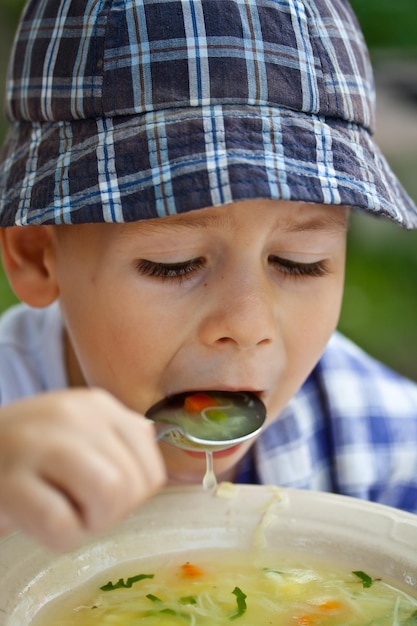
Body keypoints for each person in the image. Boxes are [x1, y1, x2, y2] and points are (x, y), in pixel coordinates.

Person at [0, 0, 416, 552]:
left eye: (300, 261)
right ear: (36, 254)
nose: (246, 324)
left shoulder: (386, 450)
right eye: (173, 264)